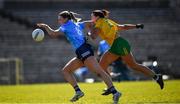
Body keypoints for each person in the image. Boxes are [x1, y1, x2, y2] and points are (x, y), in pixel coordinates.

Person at [37, 11, 121, 104]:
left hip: (84, 50)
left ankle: (115, 92)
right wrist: (90, 32)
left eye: (60, 19)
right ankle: (78, 91)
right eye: (58, 19)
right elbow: (92, 23)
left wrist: (45, 26)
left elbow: (53, 34)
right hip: (81, 51)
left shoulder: (65, 26)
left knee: (100, 71)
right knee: (66, 71)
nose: (59, 21)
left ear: (66, 19)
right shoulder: (78, 24)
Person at [89, 10, 164, 95]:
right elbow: (123, 27)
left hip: (119, 45)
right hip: (117, 45)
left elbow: (94, 37)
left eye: (92, 16)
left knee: (133, 65)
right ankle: (110, 87)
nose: (91, 18)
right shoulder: (108, 21)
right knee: (102, 66)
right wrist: (136, 26)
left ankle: (156, 76)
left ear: (97, 17)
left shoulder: (99, 23)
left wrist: (90, 29)